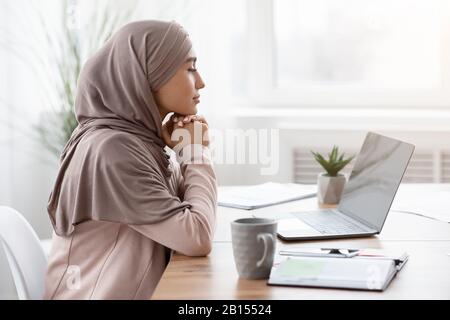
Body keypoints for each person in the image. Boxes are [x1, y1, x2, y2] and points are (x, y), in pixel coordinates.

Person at [43, 20, 217, 299]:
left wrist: (184, 149)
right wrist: (195, 151)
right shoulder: (113, 151)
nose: (201, 82)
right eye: (190, 68)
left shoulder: (136, 140)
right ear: (150, 75)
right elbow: (196, 236)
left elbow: (184, 214)